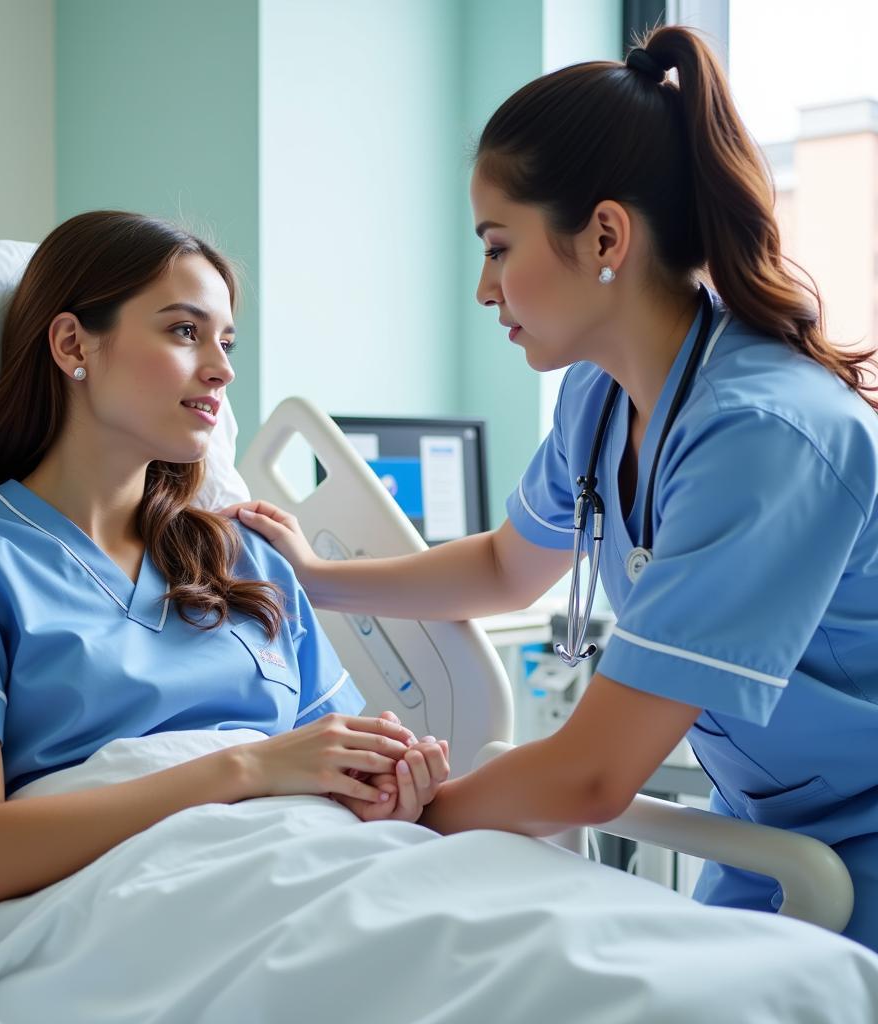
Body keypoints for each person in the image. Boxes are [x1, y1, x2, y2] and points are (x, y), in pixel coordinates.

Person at [224, 25, 878, 953]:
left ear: (605, 234)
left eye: (497, 246)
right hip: (777, 842)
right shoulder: (600, 396)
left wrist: (400, 823)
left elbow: (590, 776)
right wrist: (313, 576)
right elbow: (505, 566)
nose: (486, 288)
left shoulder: (765, 436)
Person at [0, 210, 449, 952]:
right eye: (184, 331)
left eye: (227, 341)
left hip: (308, 876)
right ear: (73, 344)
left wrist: (387, 793)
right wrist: (249, 766)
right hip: (116, 925)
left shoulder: (247, 560)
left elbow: (318, 779)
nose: (223, 369)